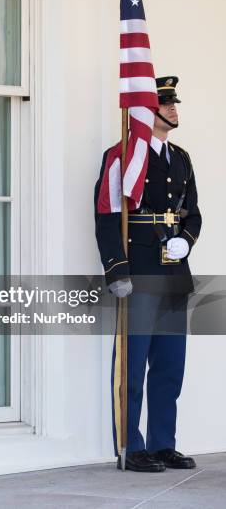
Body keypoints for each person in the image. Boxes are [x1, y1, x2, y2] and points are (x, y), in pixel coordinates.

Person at [94, 76, 202, 472]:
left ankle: (161, 443)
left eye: (174, 102)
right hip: (138, 270)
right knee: (133, 364)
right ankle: (130, 445)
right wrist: (117, 270)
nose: (173, 109)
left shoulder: (182, 157)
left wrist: (186, 240)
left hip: (174, 271)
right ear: (145, 110)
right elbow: (107, 216)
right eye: (165, 102)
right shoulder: (122, 155)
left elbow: (194, 211)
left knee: (170, 365)